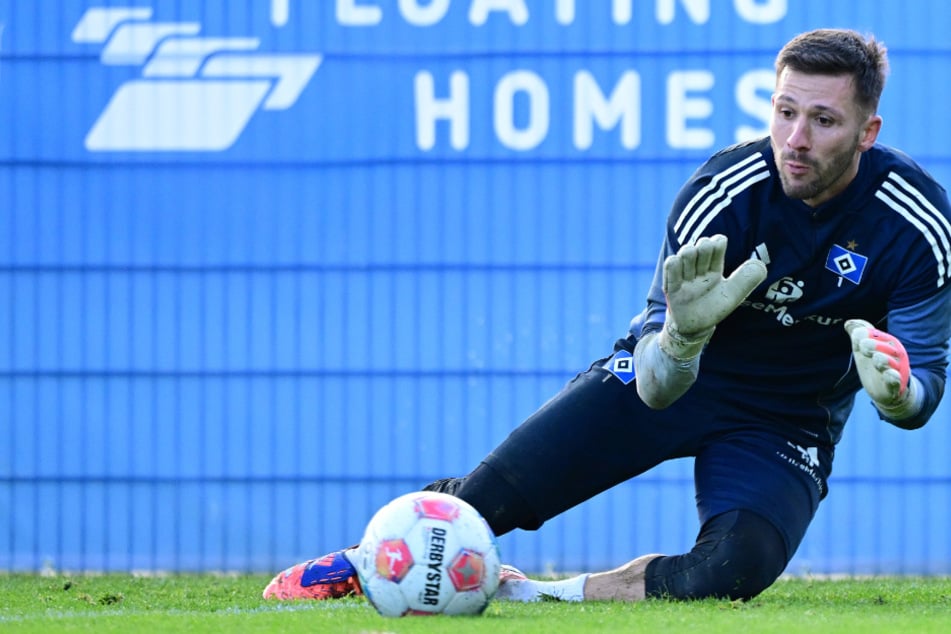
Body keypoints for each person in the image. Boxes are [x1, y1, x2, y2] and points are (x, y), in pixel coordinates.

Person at [263, 28, 951, 602]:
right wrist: (682, 337)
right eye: (783, 111)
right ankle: (366, 561)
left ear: (867, 131)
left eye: (822, 120)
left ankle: (538, 595)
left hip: (785, 420)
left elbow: (921, 388)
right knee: (482, 504)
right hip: (672, 378)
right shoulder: (722, 195)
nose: (794, 138)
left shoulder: (918, 226)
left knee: (731, 570)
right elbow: (656, 383)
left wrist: (895, 394)